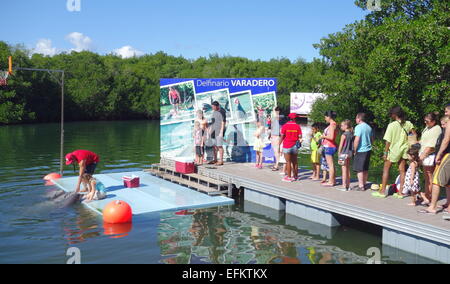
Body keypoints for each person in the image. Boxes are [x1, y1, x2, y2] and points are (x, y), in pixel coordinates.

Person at [373, 106, 416, 198]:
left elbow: (388, 141)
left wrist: (385, 153)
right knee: (402, 171)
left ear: (395, 115)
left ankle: (383, 191)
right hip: (404, 149)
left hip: (394, 150)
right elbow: (414, 134)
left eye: (391, 114)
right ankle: (400, 193)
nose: (390, 116)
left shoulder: (392, 125)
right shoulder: (408, 124)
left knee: (386, 169)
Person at [422, 104, 450, 216]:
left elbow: (446, 140)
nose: (445, 113)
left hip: (448, 154)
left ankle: (432, 207)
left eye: (447, 111)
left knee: (436, 180)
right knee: (448, 182)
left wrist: (439, 154)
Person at [418, 112, 442, 205]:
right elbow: (424, 140)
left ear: (434, 121)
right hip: (424, 154)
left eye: (427, 121)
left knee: (429, 176)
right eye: (425, 120)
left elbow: (432, 146)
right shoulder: (428, 127)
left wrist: (422, 156)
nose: (425, 122)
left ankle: (429, 196)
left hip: (429, 155)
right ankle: (427, 195)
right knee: (426, 176)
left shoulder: (436, 129)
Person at [352, 113, 373, 191]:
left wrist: (355, 150)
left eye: (356, 118)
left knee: (359, 169)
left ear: (359, 119)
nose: (355, 120)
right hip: (368, 149)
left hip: (361, 150)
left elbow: (357, 139)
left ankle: (361, 186)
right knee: (365, 168)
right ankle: (364, 183)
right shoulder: (369, 127)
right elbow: (372, 139)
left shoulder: (358, 127)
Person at [280, 113, 302, 182]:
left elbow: (282, 136)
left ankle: (289, 177)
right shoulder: (298, 126)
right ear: (294, 119)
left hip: (287, 145)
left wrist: (279, 145)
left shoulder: (285, 126)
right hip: (295, 146)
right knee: (295, 162)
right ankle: (295, 176)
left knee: (288, 162)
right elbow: (300, 137)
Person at [320, 111, 338, 187]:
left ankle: (331, 181)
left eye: (325, 117)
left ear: (329, 117)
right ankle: (332, 180)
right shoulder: (333, 124)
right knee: (331, 165)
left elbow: (331, 137)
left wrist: (323, 136)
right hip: (330, 146)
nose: (325, 118)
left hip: (329, 146)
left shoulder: (332, 125)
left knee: (330, 165)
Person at [337, 120, 354, 191]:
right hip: (349, 153)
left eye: (342, 125)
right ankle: (348, 185)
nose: (341, 127)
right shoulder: (351, 134)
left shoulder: (343, 135)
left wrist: (338, 153)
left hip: (343, 153)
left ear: (346, 126)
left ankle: (344, 186)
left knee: (343, 170)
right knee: (348, 169)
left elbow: (341, 145)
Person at [209, 101, 226, 166]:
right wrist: (210, 130)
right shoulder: (214, 112)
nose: (212, 108)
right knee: (214, 146)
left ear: (217, 106)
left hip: (219, 131)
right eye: (212, 107)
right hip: (213, 131)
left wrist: (221, 132)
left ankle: (221, 161)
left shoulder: (222, 111)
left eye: (213, 107)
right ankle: (215, 159)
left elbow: (223, 122)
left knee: (219, 146)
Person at [270, 107, 282, 171]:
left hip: (277, 136)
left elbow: (277, 117)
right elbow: (272, 126)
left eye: (277, 110)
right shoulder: (275, 117)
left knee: (277, 151)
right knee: (275, 151)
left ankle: (277, 165)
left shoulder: (279, 117)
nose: (276, 111)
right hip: (273, 135)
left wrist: (274, 110)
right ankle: (276, 164)